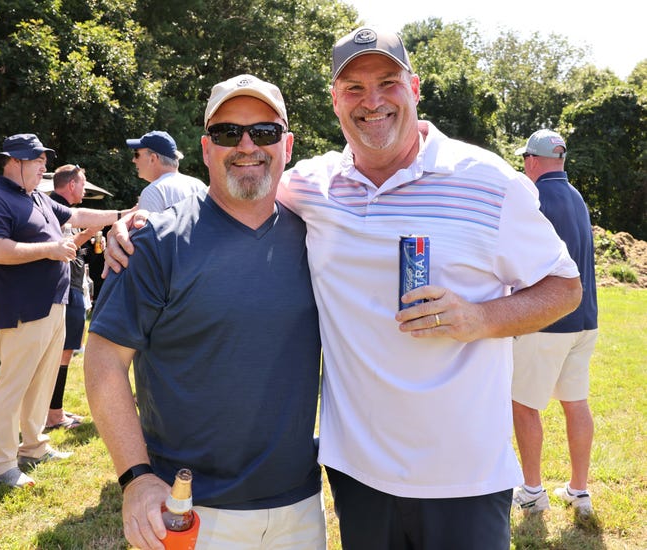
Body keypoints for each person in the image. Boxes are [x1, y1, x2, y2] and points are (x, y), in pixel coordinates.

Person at [106, 29, 582, 549]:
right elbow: (236, 192)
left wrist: (482, 318)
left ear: (415, 87)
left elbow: (565, 287)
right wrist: (134, 221)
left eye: (387, 82)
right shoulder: (313, 188)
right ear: (335, 101)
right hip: (356, 478)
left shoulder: (488, 180)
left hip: (463, 477)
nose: (371, 101)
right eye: (353, 87)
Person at [84, 75, 325, 550]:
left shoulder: (320, 237)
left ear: (288, 145)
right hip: (188, 509)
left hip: (300, 507)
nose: (247, 145)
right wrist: (135, 478)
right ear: (206, 147)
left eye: (265, 132)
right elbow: (104, 360)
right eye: (227, 132)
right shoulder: (153, 243)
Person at [0, 133, 131, 488]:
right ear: (15, 161)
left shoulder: (36, 195)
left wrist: (121, 214)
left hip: (54, 303)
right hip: (23, 307)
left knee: (42, 380)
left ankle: (34, 445)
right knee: (14, 385)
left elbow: (78, 214)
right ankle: (1, 461)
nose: (44, 166)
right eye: (38, 160)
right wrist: (50, 250)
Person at [511, 129, 598, 517]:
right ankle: (579, 491)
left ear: (532, 160)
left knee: (524, 405)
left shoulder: (535, 198)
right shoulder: (577, 197)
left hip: (548, 321)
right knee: (575, 403)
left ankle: (532, 490)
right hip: (586, 320)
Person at [45, 164, 102, 430]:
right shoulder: (55, 209)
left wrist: (88, 234)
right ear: (71, 185)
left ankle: (52, 411)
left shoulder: (55, 209)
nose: (84, 187)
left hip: (71, 286)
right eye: (83, 182)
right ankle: (53, 415)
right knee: (63, 352)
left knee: (64, 351)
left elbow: (66, 246)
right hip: (64, 289)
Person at [126, 130, 207, 212]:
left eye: (137, 155)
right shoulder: (199, 186)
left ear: (153, 158)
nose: (133, 160)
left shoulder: (153, 192)